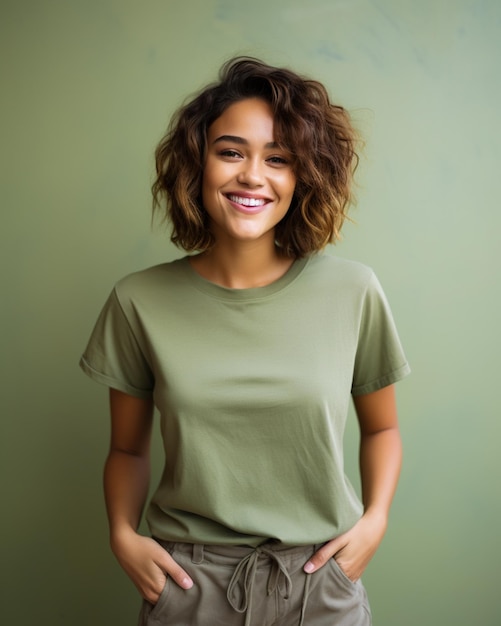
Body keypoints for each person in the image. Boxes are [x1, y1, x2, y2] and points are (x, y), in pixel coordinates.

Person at [80, 57, 410, 626]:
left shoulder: (352, 290)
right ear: (197, 163)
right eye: (231, 151)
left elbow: (382, 427)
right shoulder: (139, 301)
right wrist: (120, 535)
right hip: (189, 588)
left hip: (320, 586)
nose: (253, 175)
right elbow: (129, 449)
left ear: (303, 176)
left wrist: (376, 518)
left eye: (278, 159)